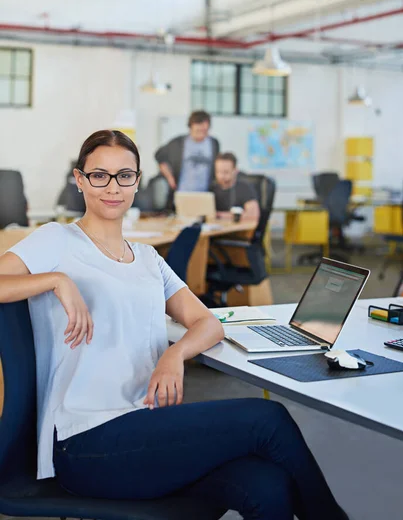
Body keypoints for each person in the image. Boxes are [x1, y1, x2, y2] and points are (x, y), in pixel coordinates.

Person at [0, 129, 348, 520]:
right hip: (86, 441)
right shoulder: (56, 240)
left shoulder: (148, 258)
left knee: (266, 484)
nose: (112, 187)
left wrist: (175, 353)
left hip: (144, 425)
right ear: (80, 180)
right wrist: (56, 280)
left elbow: (206, 322)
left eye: (124, 175)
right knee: (267, 420)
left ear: (136, 181)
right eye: (99, 175)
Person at [155, 110, 220, 193]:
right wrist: (169, 177)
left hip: (206, 192)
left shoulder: (214, 143)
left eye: (204, 131)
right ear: (191, 127)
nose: (201, 135)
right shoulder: (178, 143)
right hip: (182, 191)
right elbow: (159, 156)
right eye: (198, 131)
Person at [212, 152, 260, 221]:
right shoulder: (212, 188)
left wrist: (221, 215)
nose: (221, 176)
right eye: (218, 172)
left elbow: (253, 215)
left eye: (226, 172)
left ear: (235, 170)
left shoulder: (245, 188)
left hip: (239, 230)